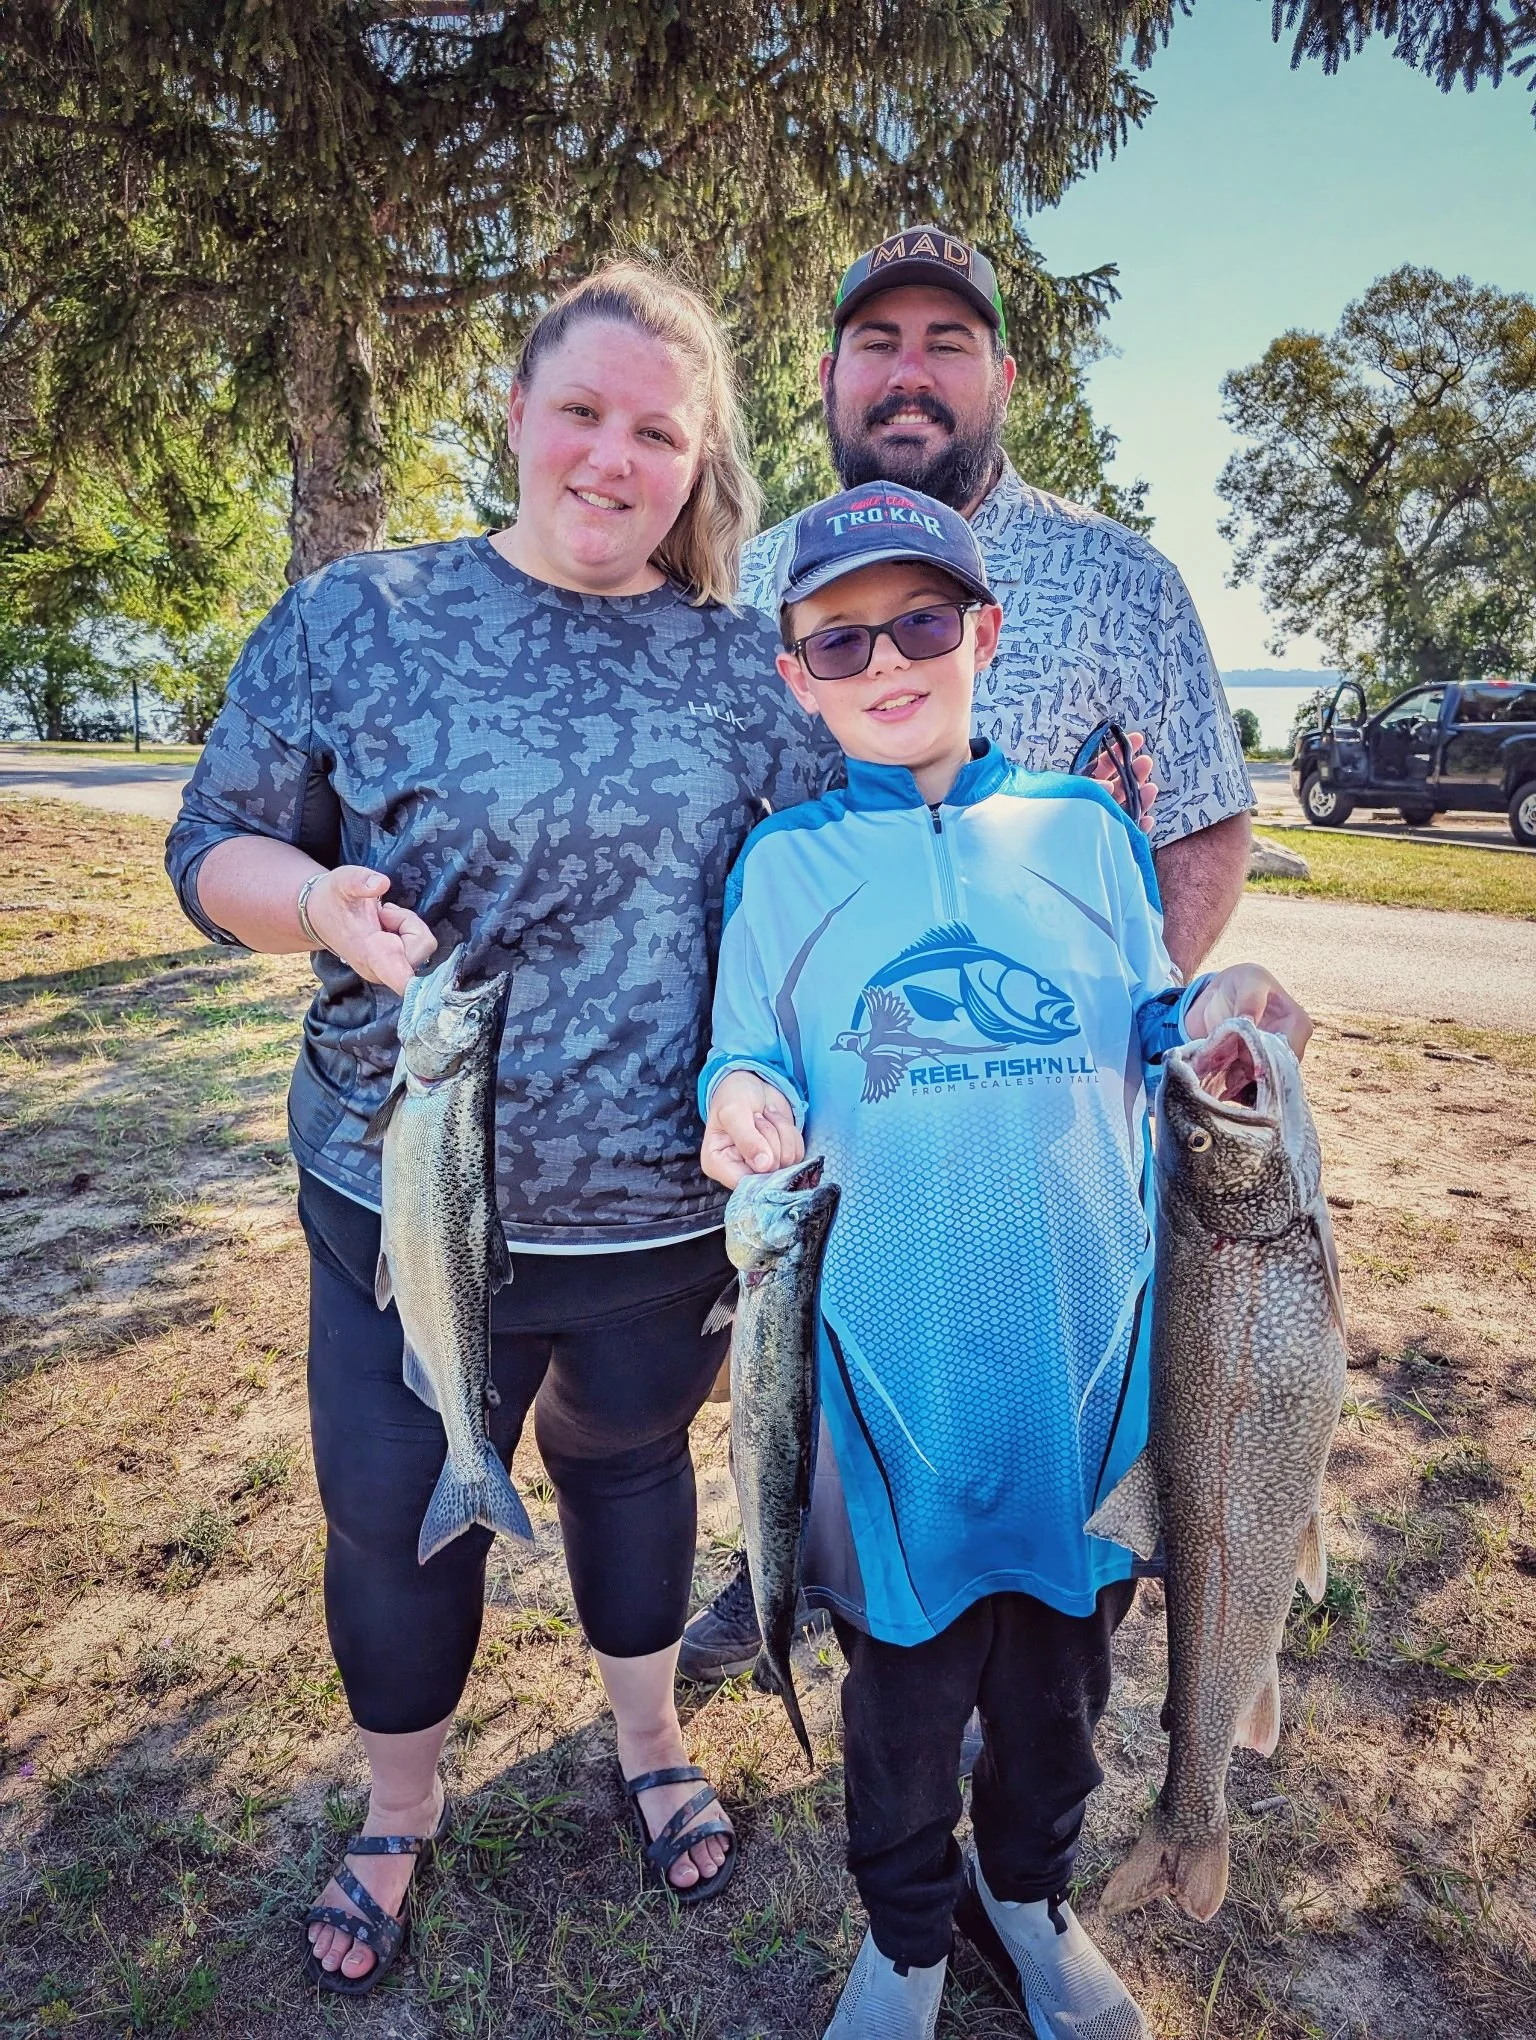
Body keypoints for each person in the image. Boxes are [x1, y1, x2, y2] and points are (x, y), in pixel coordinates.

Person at [165, 260, 839, 1993]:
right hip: (392, 1204)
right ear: (519, 414)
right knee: (394, 1517)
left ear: (699, 468)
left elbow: (836, 893)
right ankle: (399, 1805)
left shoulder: (746, 678)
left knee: (630, 1485)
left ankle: (652, 1744)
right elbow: (214, 850)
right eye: (583, 414)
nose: (612, 459)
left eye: (656, 434)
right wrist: (318, 907)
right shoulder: (360, 614)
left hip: (652, 1229)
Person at [697, 483, 1311, 2039]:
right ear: (796, 672)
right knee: (899, 1714)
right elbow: (741, 1055)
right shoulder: (778, 867)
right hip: (889, 1386)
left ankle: (1029, 1904)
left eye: (920, 622)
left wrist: (1222, 1014)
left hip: (1085, 1382)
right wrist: (742, 1102)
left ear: (982, 631)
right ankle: (906, 1939)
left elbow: (1155, 1019)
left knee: (1061, 1702)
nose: (886, 662)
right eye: (842, 639)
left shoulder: (1087, 830)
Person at [682, 220, 1256, 1686]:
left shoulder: (1124, 580)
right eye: (879, 343)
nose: (911, 374)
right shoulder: (751, 584)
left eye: (946, 344)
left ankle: (1037, 1733)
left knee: (1055, 1491)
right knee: (852, 1440)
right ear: (828, 375)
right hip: (835, 1141)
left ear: (1000, 372)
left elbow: (1197, 830)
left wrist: (1097, 1066)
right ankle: (792, 1555)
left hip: (1051, 1165)